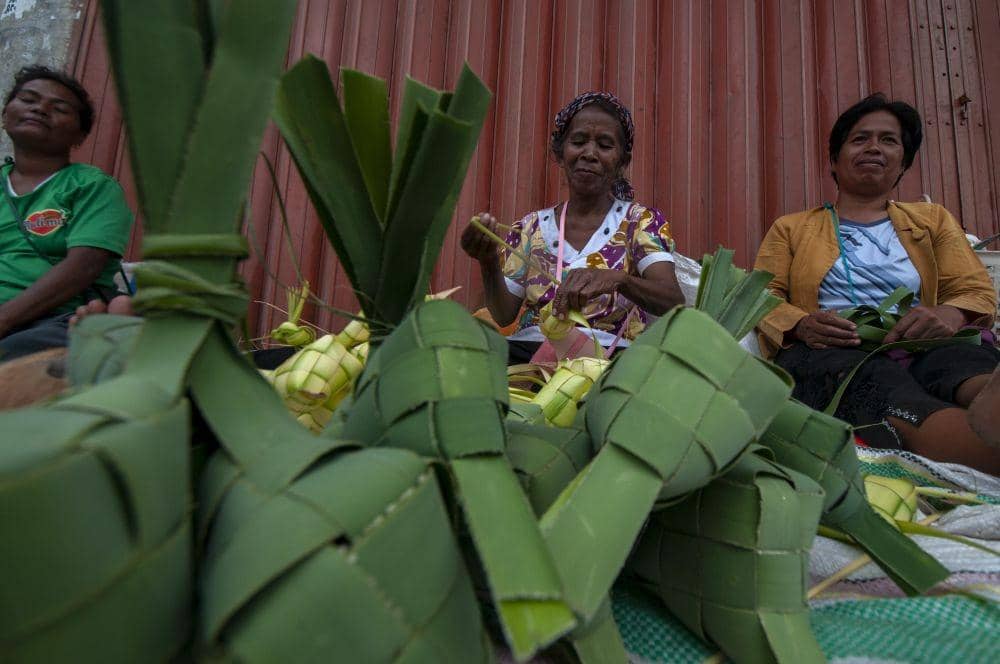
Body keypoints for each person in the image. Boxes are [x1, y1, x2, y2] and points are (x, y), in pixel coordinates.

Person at [754, 93, 999, 474]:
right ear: (834, 160)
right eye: (859, 138)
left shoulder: (933, 220)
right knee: (878, 385)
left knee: (959, 362)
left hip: (924, 341)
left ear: (903, 162)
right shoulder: (792, 228)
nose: (874, 147)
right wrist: (801, 324)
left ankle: (990, 402)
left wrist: (948, 314)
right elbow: (761, 296)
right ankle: (979, 453)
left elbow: (974, 290)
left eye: (889, 140)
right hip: (833, 349)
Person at [461, 91, 684, 363]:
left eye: (604, 145)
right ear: (561, 152)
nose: (589, 153)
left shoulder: (639, 222)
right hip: (532, 354)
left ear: (622, 161)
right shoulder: (531, 227)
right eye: (578, 141)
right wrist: (488, 261)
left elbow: (672, 300)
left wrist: (619, 280)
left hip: (609, 359)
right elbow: (504, 314)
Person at [0, 64, 132, 362]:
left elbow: (84, 266)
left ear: (80, 136)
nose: (40, 109)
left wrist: (4, 319)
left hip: (55, 319)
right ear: (6, 113)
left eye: (59, 108)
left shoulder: (91, 186)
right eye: (29, 99)